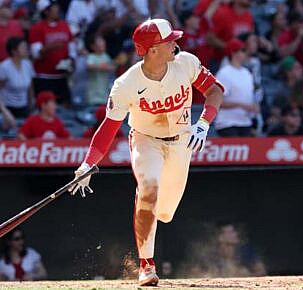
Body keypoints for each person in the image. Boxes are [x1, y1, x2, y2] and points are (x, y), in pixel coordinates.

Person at [69, 18, 224, 286]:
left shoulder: (185, 62)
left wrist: (204, 123)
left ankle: (148, 207)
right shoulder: (125, 83)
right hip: (145, 140)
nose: (176, 43)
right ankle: (146, 266)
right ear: (153, 49)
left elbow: (215, 90)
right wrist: (87, 164)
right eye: (169, 40)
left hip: (181, 142)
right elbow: (108, 128)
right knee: (149, 190)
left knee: (164, 212)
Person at [29, 0, 75, 106]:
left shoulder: (64, 25)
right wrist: (53, 47)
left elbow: (71, 46)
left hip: (62, 77)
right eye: (54, 7)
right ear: (46, 11)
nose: (57, 9)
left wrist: (72, 61)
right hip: (44, 77)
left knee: (65, 107)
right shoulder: (37, 28)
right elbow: (36, 53)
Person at [214, 39, 258, 137]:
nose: (245, 54)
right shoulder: (224, 73)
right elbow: (217, 101)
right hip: (227, 123)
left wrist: (254, 105)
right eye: (242, 51)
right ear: (233, 53)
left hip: (245, 122)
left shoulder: (247, 73)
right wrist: (241, 105)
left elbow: (249, 96)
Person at [0, 37, 35, 118]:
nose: (26, 50)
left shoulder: (28, 64)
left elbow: (30, 88)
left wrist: (31, 107)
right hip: (7, 108)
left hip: (24, 107)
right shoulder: (4, 67)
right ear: (14, 51)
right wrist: (4, 111)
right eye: (23, 47)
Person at [86, 35, 114, 105]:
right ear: (93, 47)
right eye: (99, 45)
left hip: (104, 91)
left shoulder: (106, 56)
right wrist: (101, 67)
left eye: (103, 45)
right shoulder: (91, 56)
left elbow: (111, 67)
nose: (102, 46)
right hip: (94, 92)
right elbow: (89, 66)